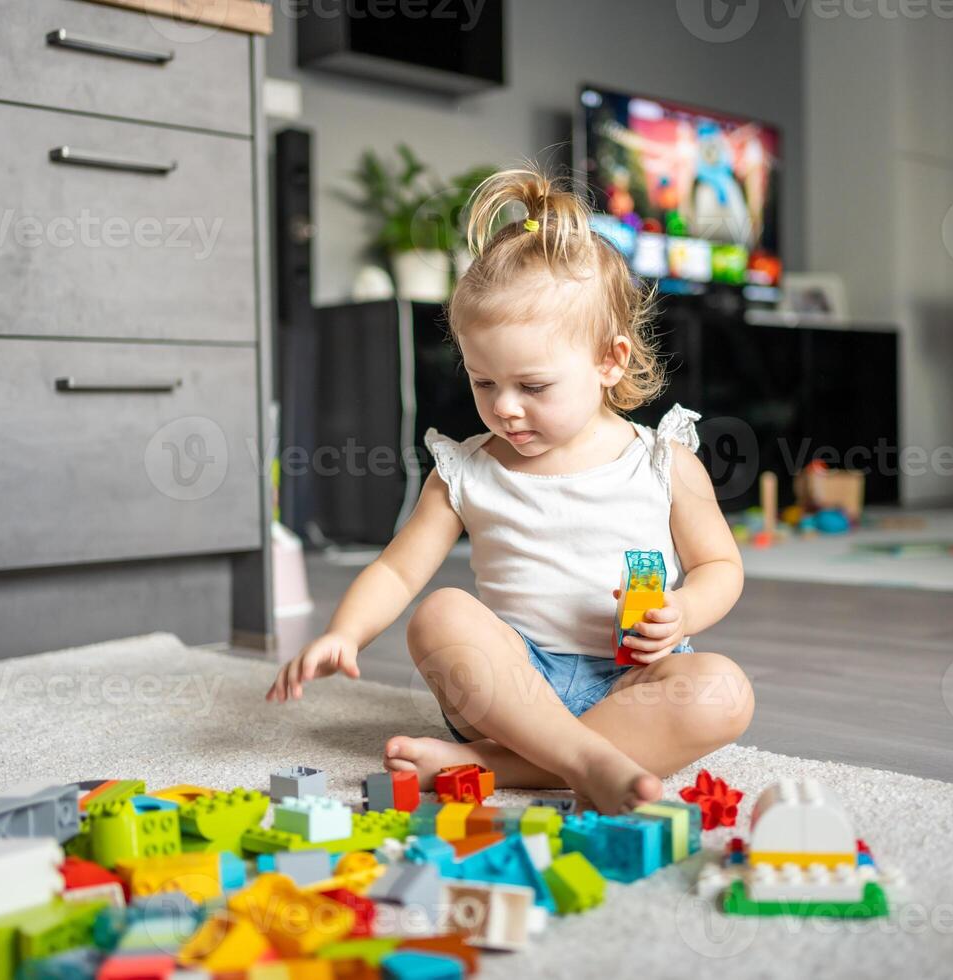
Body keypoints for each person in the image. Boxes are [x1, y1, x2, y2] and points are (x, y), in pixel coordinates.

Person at [268, 166, 753, 814]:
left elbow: (719, 566)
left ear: (609, 361)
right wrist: (345, 632)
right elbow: (397, 569)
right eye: (483, 382)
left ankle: (499, 768)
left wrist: (684, 615)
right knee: (441, 614)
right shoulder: (467, 469)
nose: (506, 409)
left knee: (723, 691)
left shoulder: (664, 460)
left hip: (635, 677)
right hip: (512, 691)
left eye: (534, 386)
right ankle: (582, 760)